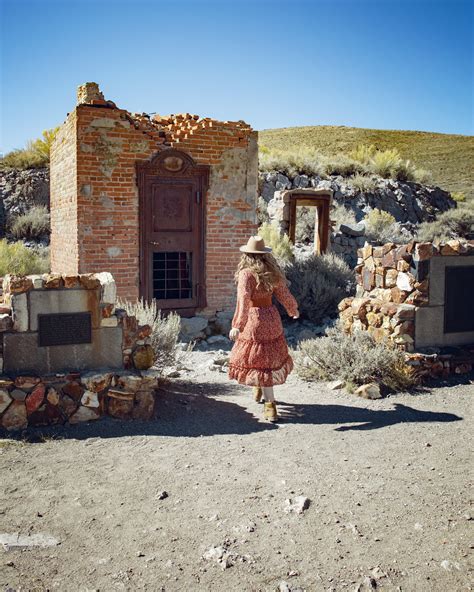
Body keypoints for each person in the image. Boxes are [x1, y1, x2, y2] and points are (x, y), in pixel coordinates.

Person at [228, 235, 299, 422]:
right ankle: (263, 395)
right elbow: (284, 293)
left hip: (254, 320)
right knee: (267, 360)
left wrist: (237, 325)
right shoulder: (272, 272)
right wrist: (293, 309)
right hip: (272, 317)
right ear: (265, 255)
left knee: (255, 357)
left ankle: (270, 405)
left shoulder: (246, 274)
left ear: (247, 255)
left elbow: (243, 301)